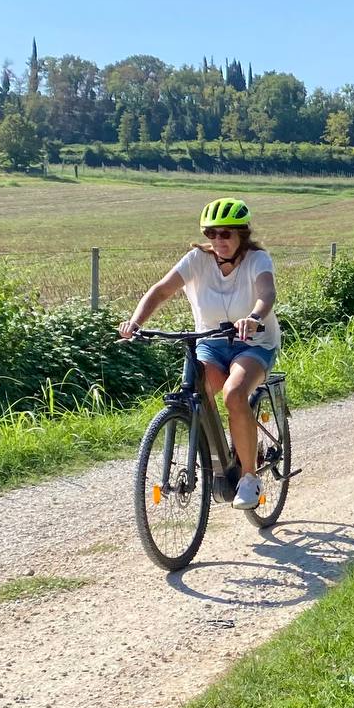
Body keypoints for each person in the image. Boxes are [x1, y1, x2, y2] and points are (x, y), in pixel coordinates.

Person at [117, 197, 282, 510]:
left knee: (234, 393)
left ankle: (248, 477)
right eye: (212, 234)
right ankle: (220, 455)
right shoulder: (196, 259)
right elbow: (161, 290)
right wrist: (135, 323)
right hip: (209, 342)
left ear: (242, 235)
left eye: (226, 234)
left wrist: (255, 317)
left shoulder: (257, 259)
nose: (218, 240)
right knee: (196, 391)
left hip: (254, 342)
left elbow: (267, 293)